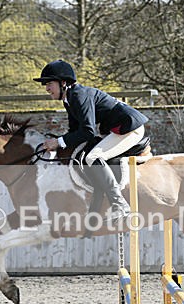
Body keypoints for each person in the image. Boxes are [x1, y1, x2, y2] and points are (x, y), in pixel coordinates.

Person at [34, 59, 148, 223]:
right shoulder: (69, 99)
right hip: (117, 129)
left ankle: (120, 204)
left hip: (129, 128)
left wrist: (59, 142)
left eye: (49, 83)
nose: (47, 88)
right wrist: (56, 144)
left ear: (63, 83)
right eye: (46, 85)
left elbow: (88, 131)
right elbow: (75, 131)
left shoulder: (79, 96)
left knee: (92, 157)